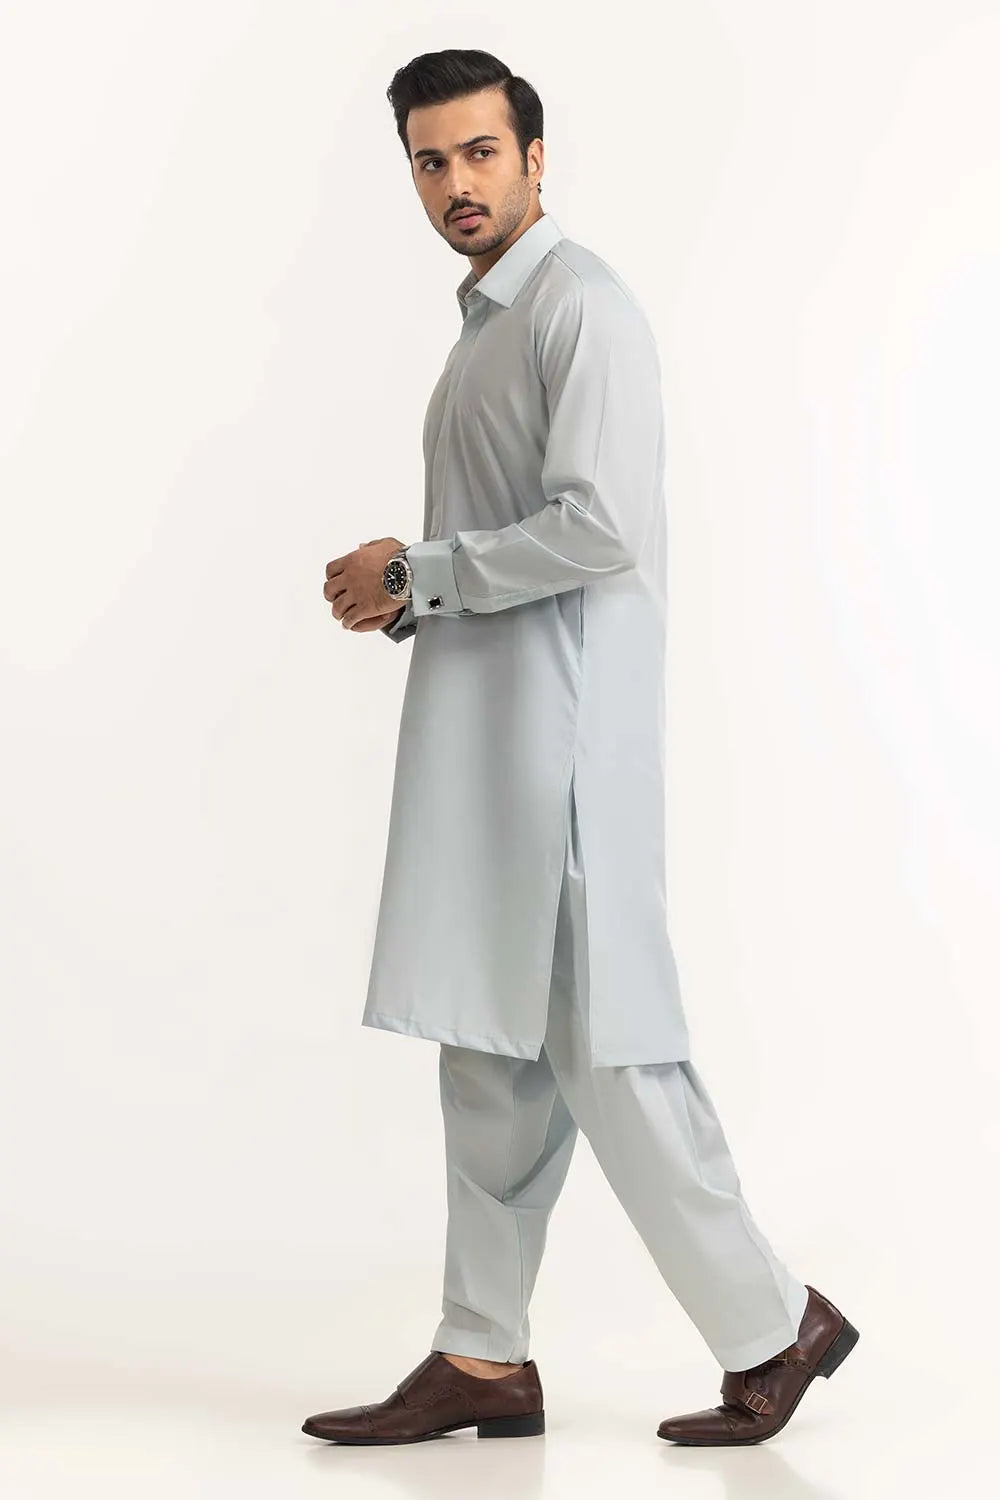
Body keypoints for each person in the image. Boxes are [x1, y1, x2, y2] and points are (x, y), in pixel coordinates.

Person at [309, 47, 858, 1447]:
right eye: (430, 161)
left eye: (479, 152)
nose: (455, 182)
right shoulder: (487, 323)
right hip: (485, 748)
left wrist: (420, 570)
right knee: (489, 1054)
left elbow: (600, 527)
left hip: (560, 756)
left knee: (609, 1050)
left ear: (535, 158)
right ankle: (483, 1355)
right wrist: (405, 596)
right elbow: (511, 533)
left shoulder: (580, 308)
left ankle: (775, 1323)